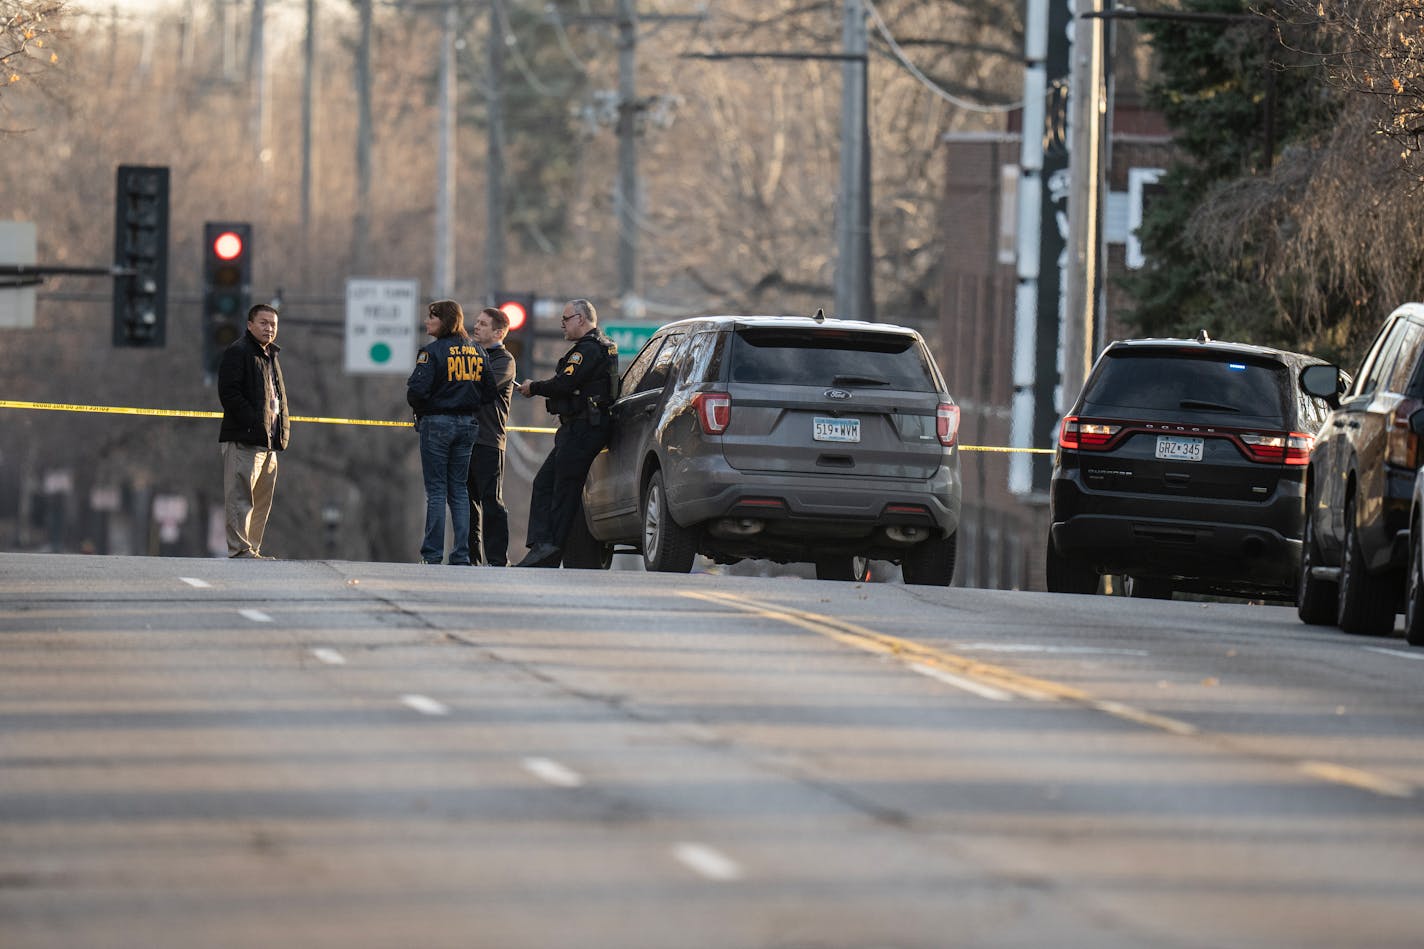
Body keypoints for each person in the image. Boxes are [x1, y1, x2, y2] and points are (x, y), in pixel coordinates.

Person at [513, 298, 619, 567]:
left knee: (564, 491)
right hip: (577, 428)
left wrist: (533, 387)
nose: (562, 324)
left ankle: (550, 552)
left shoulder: (587, 350)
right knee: (546, 484)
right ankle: (542, 546)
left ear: (581, 319)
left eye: (566, 318)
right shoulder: (597, 348)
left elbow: (565, 382)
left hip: (583, 428)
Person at [407, 299, 497, 565]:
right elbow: (490, 390)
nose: (426, 321)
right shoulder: (478, 351)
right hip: (468, 425)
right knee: (458, 489)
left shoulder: (431, 352)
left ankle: (432, 554)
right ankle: (461, 554)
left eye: (431, 316)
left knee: (436, 490)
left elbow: (416, 392)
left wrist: (429, 407)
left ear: (444, 320)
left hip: (437, 424)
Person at [218, 303, 289, 559]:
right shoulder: (238, 352)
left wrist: (281, 433)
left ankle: (253, 548)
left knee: (261, 502)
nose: (269, 328)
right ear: (250, 325)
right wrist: (253, 423)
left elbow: (278, 399)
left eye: (273, 324)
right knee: (240, 497)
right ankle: (239, 549)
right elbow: (229, 393)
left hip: (269, 443)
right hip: (244, 439)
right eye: (263, 322)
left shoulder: (271, 355)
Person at [467, 306, 516, 566]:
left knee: (491, 501)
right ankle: (468, 558)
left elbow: (481, 388)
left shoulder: (504, 360)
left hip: (488, 439)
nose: (476, 327)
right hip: (464, 439)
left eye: (483, 324)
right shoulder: (470, 353)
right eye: (476, 322)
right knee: (465, 502)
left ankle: (497, 560)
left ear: (498, 331)